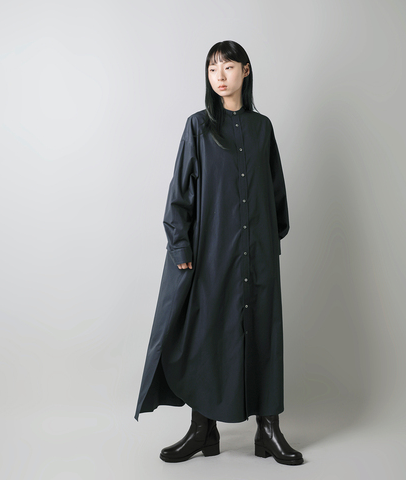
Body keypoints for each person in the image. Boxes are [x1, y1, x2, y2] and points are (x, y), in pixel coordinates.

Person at [134, 40, 304, 466]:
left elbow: (276, 193)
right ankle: (202, 429)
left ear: (245, 70)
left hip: (258, 255)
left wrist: (268, 240)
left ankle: (268, 429)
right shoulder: (198, 127)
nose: (220, 75)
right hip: (212, 254)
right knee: (208, 335)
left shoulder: (262, 128)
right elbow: (180, 192)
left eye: (228, 66)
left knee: (264, 334)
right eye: (213, 69)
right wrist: (181, 243)